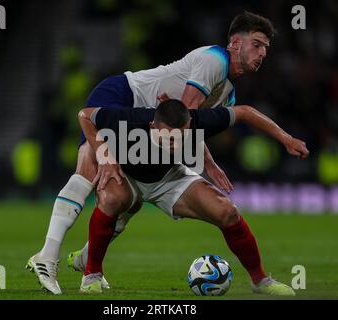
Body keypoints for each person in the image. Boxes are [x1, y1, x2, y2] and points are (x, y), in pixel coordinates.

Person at [26, 11, 278, 294]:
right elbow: (183, 112)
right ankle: (47, 256)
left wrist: (210, 163)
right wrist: (106, 156)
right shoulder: (214, 60)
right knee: (92, 165)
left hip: (153, 125)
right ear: (235, 42)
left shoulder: (226, 92)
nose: (262, 53)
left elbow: (186, 122)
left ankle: (86, 259)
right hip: (125, 95)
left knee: (128, 197)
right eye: (257, 44)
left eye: (266, 48)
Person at [76, 99, 309, 295]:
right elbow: (85, 115)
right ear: (152, 126)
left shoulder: (200, 121)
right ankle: (91, 275)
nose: (174, 144)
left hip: (169, 177)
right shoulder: (130, 118)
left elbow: (245, 112)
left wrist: (286, 139)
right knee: (111, 199)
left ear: (189, 125)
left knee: (226, 211)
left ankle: (260, 281)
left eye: (181, 137)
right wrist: (104, 155)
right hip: (127, 176)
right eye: (168, 138)